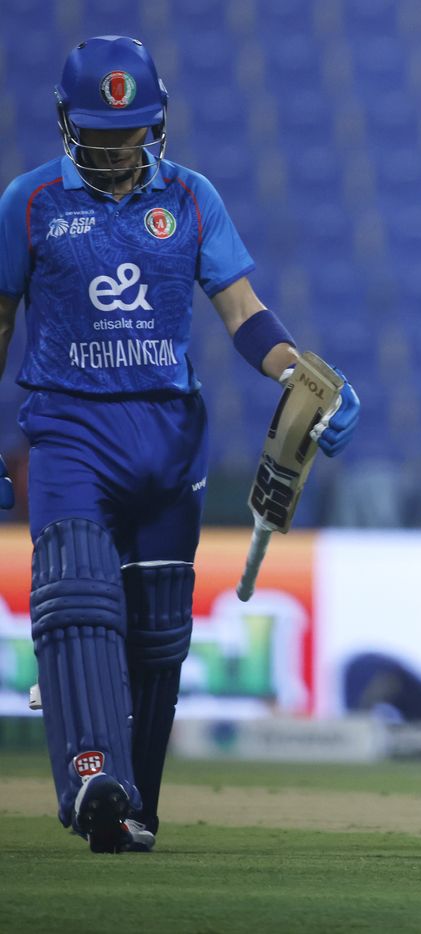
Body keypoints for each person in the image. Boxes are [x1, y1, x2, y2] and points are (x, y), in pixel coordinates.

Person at [0, 36, 361, 853]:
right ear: (65, 122)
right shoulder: (28, 204)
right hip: (69, 431)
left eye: (130, 132)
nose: (117, 149)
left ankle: (133, 809)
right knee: (79, 600)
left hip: (169, 438)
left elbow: (243, 313)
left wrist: (306, 380)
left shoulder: (192, 199)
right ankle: (94, 778)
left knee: (160, 634)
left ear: (157, 125)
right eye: (99, 132)